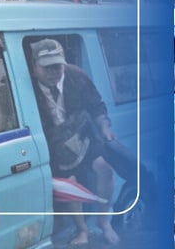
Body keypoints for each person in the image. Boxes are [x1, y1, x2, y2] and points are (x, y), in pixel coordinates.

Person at [29, 38, 120, 246]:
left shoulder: (76, 75)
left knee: (105, 169)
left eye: (57, 66)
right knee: (70, 184)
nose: (53, 72)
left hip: (81, 134)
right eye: (47, 67)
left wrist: (105, 128)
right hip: (53, 142)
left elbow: (97, 106)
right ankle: (82, 230)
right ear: (34, 67)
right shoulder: (26, 85)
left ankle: (104, 221)